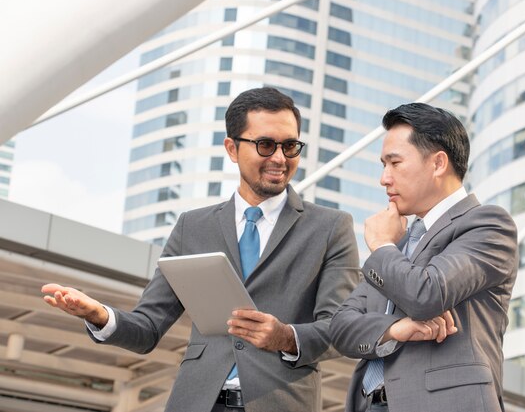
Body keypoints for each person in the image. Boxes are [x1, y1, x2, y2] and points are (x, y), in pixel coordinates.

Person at [42, 87, 362, 412]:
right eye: (266, 145)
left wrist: (287, 337)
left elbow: (342, 328)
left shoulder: (330, 228)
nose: (280, 158)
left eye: (290, 146)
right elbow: (148, 327)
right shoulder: (192, 227)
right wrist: (99, 315)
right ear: (232, 148)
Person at [329, 102, 518, 412]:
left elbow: (427, 293)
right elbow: (341, 327)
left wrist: (382, 245)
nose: (384, 178)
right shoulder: (397, 242)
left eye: (394, 163)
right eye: (383, 164)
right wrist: (393, 330)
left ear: (438, 163)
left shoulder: (488, 225)